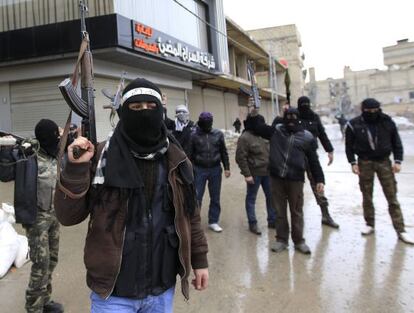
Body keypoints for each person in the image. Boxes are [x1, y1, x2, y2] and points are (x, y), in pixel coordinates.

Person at [54, 78, 209, 312]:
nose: (144, 113)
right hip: (114, 292)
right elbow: (67, 216)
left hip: (161, 287)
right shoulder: (99, 158)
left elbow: (191, 216)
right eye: (136, 108)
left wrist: (199, 261)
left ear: (161, 111)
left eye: (151, 107)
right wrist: (75, 168)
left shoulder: (177, 160)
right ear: (124, 113)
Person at [251, 108, 325, 254]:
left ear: (298, 118)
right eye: (287, 117)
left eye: (294, 117)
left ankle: (299, 241)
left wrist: (319, 179)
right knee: (279, 211)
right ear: (283, 118)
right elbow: (256, 128)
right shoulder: (276, 131)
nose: (291, 119)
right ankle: (281, 240)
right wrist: (254, 111)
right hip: (277, 178)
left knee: (296, 212)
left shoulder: (307, 137)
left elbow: (313, 160)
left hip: (296, 180)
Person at [345, 98, 414, 244]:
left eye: (375, 111)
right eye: (369, 111)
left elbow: (396, 142)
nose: (372, 113)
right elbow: (349, 146)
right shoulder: (354, 124)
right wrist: (352, 162)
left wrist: (398, 160)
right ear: (363, 110)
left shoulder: (387, 121)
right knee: (367, 195)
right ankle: (369, 224)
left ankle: (401, 229)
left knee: (392, 196)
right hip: (364, 162)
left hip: (384, 162)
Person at [26, 119, 63, 313]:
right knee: (41, 264)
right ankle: (33, 308)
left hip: (54, 215)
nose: (57, 138)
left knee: (52, 260)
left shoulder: (54, 155)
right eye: (54, 135)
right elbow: (6, 173)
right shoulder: (30, 157)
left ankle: (45, 301)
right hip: (37, 219)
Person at [297, 96, 339, 229]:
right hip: (296, 156)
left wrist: (329, 150)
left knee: (318, 184)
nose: (305, 107)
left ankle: (325, 215)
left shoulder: (314, 117)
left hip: (311, 156)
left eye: (307, 104)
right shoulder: (294, 116)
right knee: (295, 188)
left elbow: (322, 134)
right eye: (303, 105)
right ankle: (297, 218)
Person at [188, 112, 230, 233]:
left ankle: (213, 221)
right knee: (197, 197)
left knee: (215, 197)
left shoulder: (218, 134)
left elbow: (223, 152)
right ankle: (194, 222)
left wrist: (227, 167)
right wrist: (189, 170)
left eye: (209, 121)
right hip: (199, 170)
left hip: (215, 170)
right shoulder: (194, 135)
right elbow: (189, 154)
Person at [235, 113, 276, 235]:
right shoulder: (245, 138)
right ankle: (252, 223)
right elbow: (240, 158)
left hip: (268, 173)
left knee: (271, 197)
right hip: (254, 174)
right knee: (251, 198)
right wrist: (247, 174)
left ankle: (272, 220)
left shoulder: (265, 135)